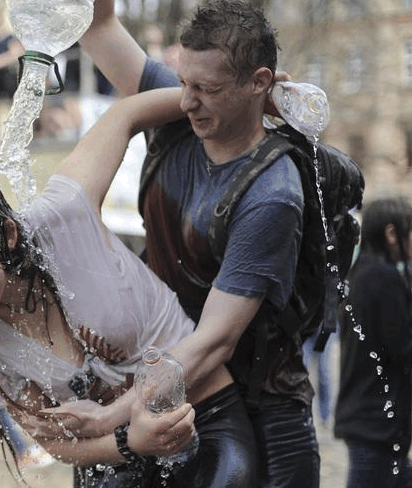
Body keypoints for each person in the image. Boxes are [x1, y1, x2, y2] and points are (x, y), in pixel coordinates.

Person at [0, 87, 258, 487]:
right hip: (113, 457)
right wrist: (130, 442)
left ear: (5, 235)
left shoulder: (63, 216)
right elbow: (53, 442)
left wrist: (236, 101)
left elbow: (125, 114)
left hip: (202, 417)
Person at [73, 1, 319, 486]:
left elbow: (212, 342)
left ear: (259, 82)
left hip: (260, 409)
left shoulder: (272, 194)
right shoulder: (185, 109)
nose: (186, 102)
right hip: (164, 390)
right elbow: (100, 27)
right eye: (184, 82)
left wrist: (111, 416)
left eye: (207, 89)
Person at [333, 197, 412, 488]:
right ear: (392, 234)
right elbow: (404, 349)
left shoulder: (363, 272)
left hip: (370, 421)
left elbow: (386, 338)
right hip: (376, 424)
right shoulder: (383, 277)